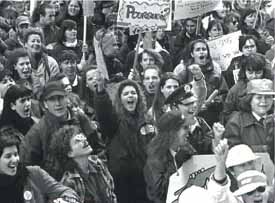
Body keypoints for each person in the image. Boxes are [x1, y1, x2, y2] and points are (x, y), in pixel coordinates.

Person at [20, 80, 101, 180]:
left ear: (67, 98)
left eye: (60, 98)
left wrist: (99, 168)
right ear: (45, 104)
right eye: (52, 99)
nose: (57, 103)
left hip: (90, 178)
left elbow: (98, 147)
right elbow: (27, 165)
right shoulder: (38, 131)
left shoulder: (80, 118)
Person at [94, 75, 155, 203]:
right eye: (126, 93)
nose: (130, 96)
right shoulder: (114, 120)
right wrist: (100, 92)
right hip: (124, 181)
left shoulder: (147, 119)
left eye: (133, 92)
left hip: (146, 177)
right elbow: (103, 113)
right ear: (120, 99)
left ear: (139, 97)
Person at [0, 126, 80, 203]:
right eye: (8, 156)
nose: (15, 159)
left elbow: (66, 192)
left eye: (16, 154)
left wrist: (66, 200)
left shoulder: (33, 173)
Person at [50, 125, 117, 203]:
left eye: (82, 137)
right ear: (70, 153)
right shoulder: (69, 182)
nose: (84, 140)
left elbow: (111, 193)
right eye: (77, 141)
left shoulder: (98, 164)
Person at [144, 110, 196, 203]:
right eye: (185, 128)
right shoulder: (155, 158)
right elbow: (159, 193)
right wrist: (178, 163)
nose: (189, 132)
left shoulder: (187, 149)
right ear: (172, 132)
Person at [174, 39, 228, 126]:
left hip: (211, 116)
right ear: (192, 54)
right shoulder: (184, 72)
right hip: (189, 117)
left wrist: (211, 102)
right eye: (198, 50)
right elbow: (177, 95)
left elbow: (224, 93)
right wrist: (194, 106)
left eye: (204, 49)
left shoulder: (215, 72)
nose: (201, 52)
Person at [223, 79, 275, 158]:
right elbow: (233, 151)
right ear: (249, 100)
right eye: (259, 97)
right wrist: (265, 149)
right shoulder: (236, 123)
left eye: (268, 97)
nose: (264, 101)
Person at [208, 139, 269, 203]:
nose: (249, 168)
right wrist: (220, 163)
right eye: (242, 165)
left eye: (250, 162)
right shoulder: (232, 197)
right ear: (231, 171)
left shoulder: (265, 183)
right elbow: (218, 195)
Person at [223, 53, 273, 123]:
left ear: (264, 72)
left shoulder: (271, 87)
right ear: (244, 71)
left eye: (258, 72)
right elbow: (227, 113)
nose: (254, 76)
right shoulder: (235, 90)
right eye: (250, 72)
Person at [23, 27, 60, 99]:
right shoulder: (20, 64)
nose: (36, 43)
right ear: (25, 44)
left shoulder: (51, 63)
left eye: (38, 41)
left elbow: (55, 87)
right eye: (33, 41)